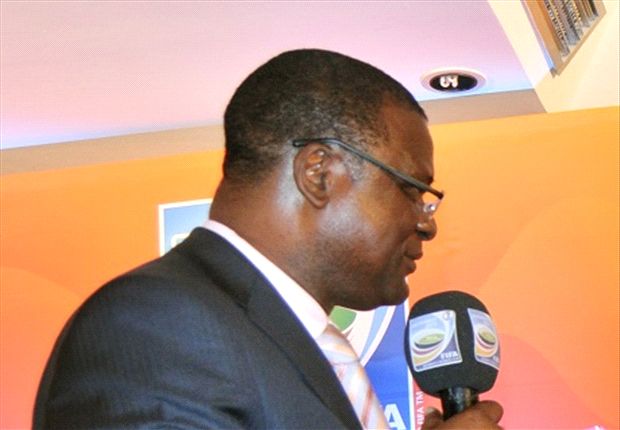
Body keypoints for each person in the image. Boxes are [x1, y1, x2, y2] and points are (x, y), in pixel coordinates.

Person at [33, 49, 503, 429]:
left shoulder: (289, 338)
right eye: (412, 190)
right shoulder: (153, 326)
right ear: (320, 174)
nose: (427, 223)